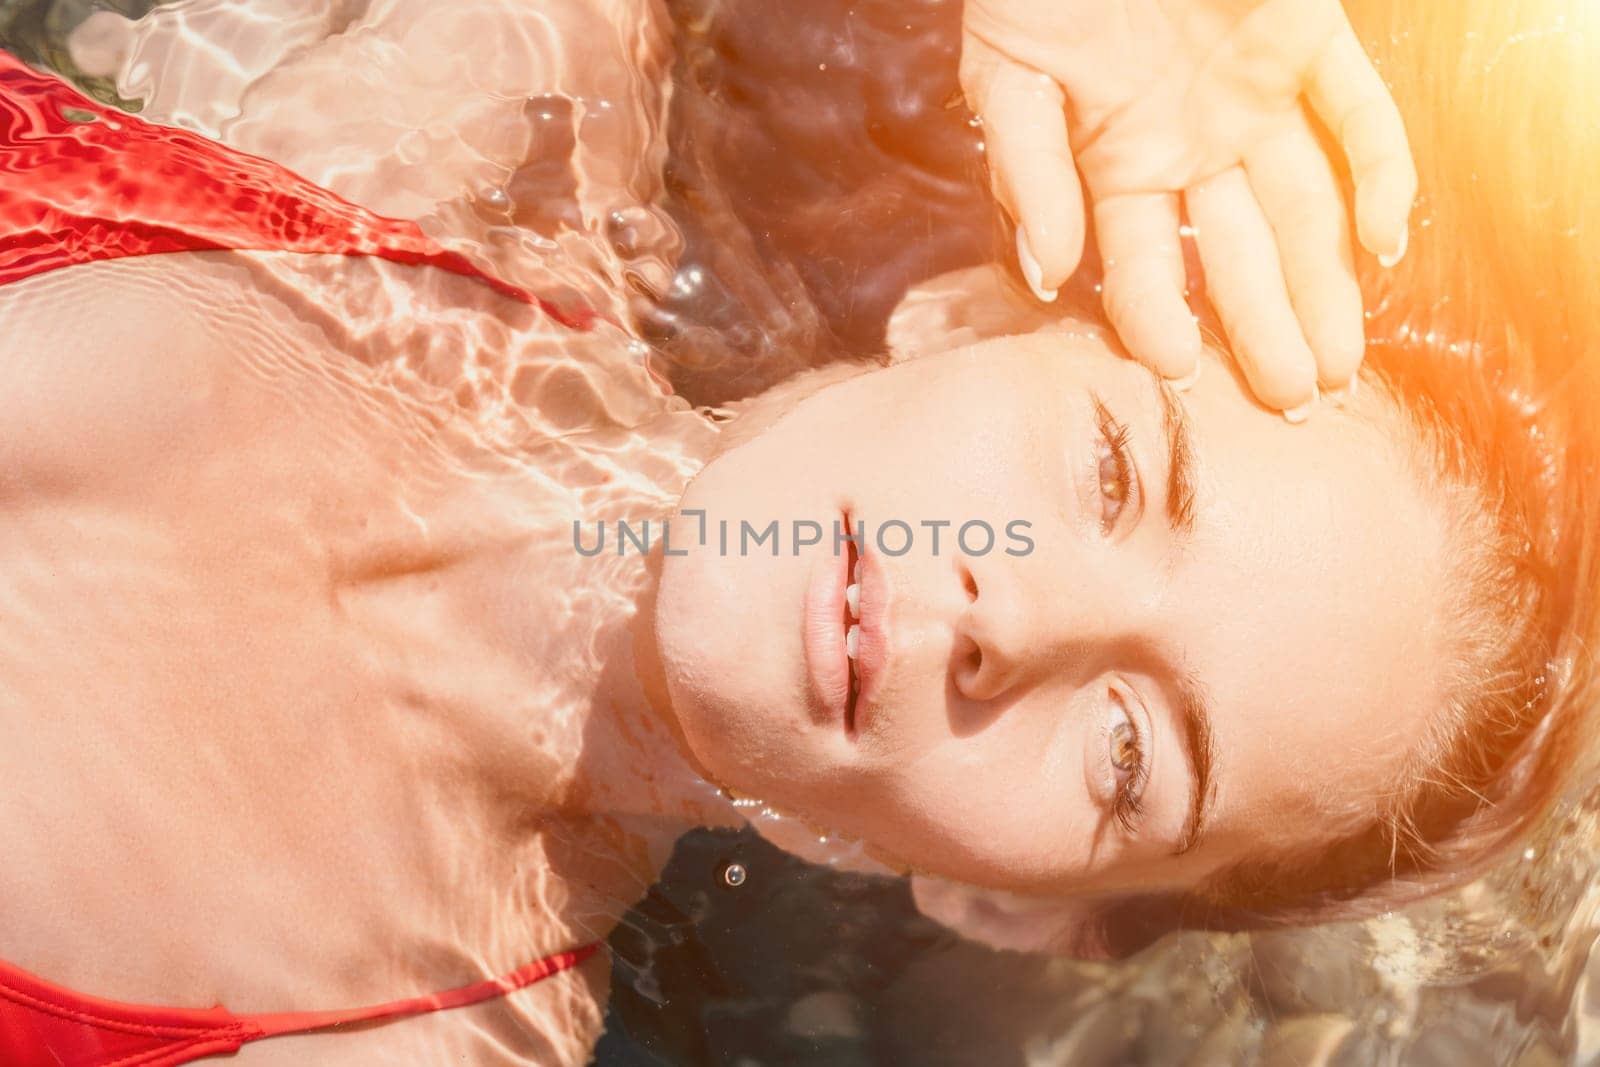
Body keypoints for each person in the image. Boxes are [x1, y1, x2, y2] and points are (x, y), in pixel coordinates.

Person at [0, 0, 1589, 1064]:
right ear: (967, 316)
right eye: (1110, 469)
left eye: (1127, 752)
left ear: (1007, 907)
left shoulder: (372, 1046)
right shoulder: (477, 127)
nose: (1010, 620)